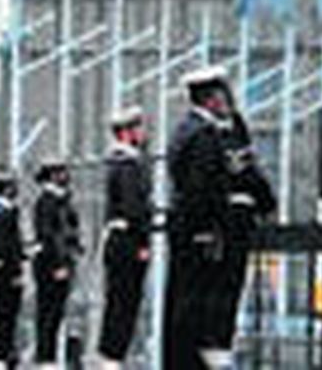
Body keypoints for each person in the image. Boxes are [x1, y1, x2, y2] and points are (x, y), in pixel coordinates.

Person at [164, 66, 236, 370]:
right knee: (193, 303)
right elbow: (202, 188)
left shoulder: (184, 129)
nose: (225, 102)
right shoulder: (204, 135)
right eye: (221, 96)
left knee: (181, 298)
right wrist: (208, 230)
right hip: (198, 230)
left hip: (184, 228)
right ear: (211, 98)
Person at [211, 90, 276, 358]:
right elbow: (253, 180)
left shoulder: (207, 137)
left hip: (215, 219)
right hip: (234, 218)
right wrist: (268, 205)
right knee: (229, 284)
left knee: (218, 286)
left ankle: (216, 344)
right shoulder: (228, 141)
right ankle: (219, 345)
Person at [98, 107, 154, 370]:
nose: (143, 133)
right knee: (124, 302)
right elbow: (134, 209)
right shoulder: (127, 164)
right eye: (138, 128)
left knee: (121, 302)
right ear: (126, 133)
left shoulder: (122, 162)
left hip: (122, 239)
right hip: (128, 241)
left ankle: (112, 357)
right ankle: (112, 358)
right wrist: (143, 241)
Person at [32, 162, 81, 370]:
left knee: (56, 312)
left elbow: (69, 229)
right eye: (61, 172)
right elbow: (49, 235)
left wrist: (75, 247)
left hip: (62, 262)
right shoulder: (47, 201)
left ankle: (50, 357)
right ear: (52, 176)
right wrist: (58, 264)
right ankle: (46, 359)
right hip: (50, 264)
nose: (65, 176)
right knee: (49, 312)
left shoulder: (62, 200)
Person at [0, 172, 25, 370]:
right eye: (12, 186)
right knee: (4, 314)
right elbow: (4, 247)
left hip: (8, 270)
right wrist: (15, 268)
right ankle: (0, 355)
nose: (16, 189)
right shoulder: (1, 214)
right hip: (6, 272)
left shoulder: (9, 213)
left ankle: (6, 353)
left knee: (10, 315)